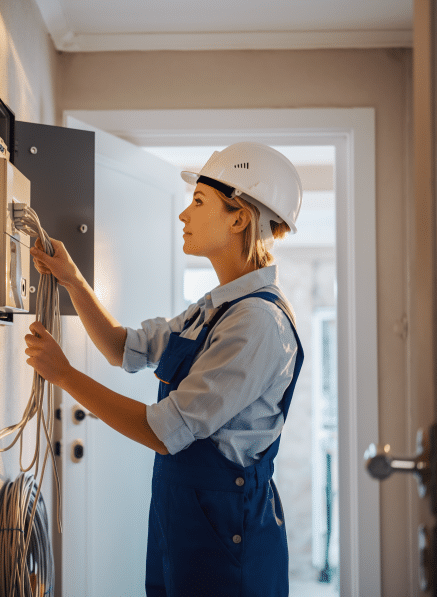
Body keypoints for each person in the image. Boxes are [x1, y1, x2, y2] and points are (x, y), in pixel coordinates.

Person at [24, 142, 304, 597]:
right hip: (188, 519)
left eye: (198, 202)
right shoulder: (215, 309)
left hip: (228, 534)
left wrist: (65, 375)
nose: (183, 216)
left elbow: (163, 431)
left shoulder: (256, 323)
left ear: (238, 219)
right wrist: (72, 279)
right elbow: (123, 348)